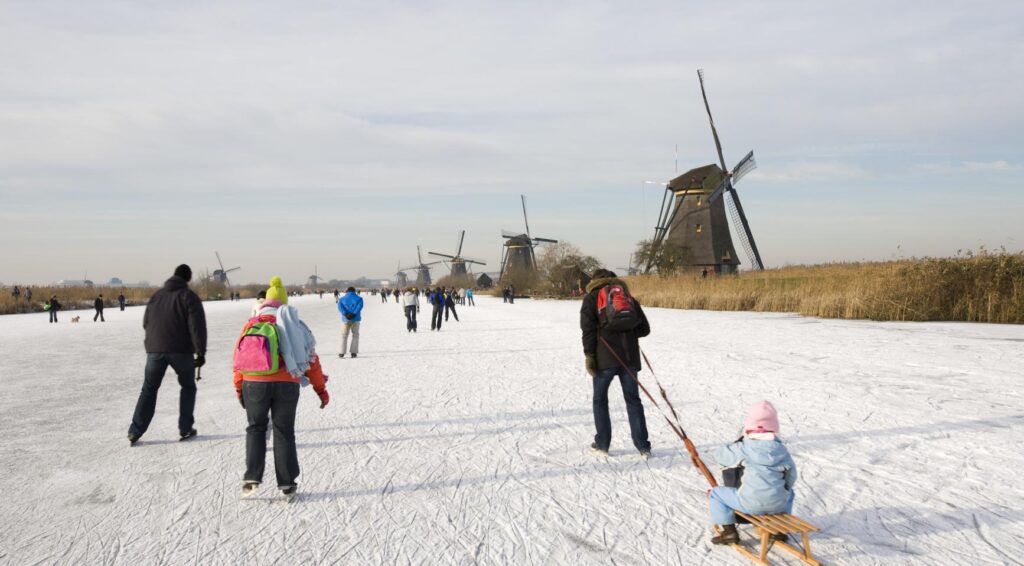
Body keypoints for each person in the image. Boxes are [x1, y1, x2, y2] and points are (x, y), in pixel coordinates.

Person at [234, 276, 330, 497]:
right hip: (287, 384)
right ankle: (286, 482)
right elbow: (312, 360)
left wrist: (240, 387)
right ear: (285, 302)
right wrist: (320, 390)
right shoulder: (295, 325)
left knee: (255, 428)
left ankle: (252, 476)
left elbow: (238, 359)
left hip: (254, 383)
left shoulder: (252, 324)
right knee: (283, 431)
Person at [127, 264, 207, 445]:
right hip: (180, 350)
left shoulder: (156, 296)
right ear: (188, 278)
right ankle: (185, 428)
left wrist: (153, 343)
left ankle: (135, 430)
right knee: (188, 386)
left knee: (148, 389)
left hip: (155, 350)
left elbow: (146, 322)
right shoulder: (189, 296)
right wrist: (200, 352)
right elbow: (197, 327)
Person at [580, 269, 652, 458]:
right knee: (633, 401)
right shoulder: (627, 297)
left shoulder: (591, 298)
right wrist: (627, 333)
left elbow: (587, 331)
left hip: (604, 359)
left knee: (600, 400)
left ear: (594, 280)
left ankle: (602, 444)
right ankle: (643, 446)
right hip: (629, 358)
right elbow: (644, 329)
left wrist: (589, 355)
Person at [708, 400, 797, 545]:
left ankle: (729, 532)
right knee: (790, 492)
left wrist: (734, 444)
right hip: (778, 505)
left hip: (748, 503)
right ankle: (779, 530)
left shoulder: (744, 447)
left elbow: (719, 455)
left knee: (716, 494)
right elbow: (792, 476)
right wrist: (781, 491)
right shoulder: (781, 450)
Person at [337, 286, 363, 358]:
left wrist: (346, 314)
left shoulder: (342, 299)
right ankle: (353, 352)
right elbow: (359, 307)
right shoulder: (359, 299)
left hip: (346, 319)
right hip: (356, 319)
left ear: (347, 291)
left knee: (344, 335)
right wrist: (354, 313)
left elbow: (340, 307)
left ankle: (342, 352)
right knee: (355, 335)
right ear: (354, 291)